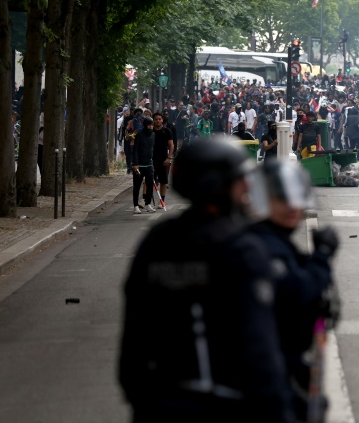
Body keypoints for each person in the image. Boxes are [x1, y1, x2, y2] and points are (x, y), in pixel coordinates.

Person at [119, 139, 295, 422]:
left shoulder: (157, 242)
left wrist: (144, 401)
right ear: (222, 186)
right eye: (240, 181)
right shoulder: (242, 248)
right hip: (228, 405)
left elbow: (135, 336)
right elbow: (259, 345)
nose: (246, 189)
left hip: (160, 404)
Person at [250, 161, 339, 422]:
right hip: (267, 367)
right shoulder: (261, 246)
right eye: (281, 198)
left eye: (297, 198)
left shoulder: (277, 241)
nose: (291, 206)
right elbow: (297, 289)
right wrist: (321, 258)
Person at [131, 116, 156, 214]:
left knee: (150, 184)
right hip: (139, 164)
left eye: (151, 125)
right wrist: (135, 163)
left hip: (149, 163)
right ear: (145, 125)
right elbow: (135, 150)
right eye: (149, 125)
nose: (150, 127)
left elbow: (153, 149)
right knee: (137, 185)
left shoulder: (153, 135)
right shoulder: (139, 135)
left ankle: (147, 204)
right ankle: (136, 205)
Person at [151, 112, 174, 206]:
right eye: (156, 119)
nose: (158, 121)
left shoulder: (167, 131)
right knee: (149, 181)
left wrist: (169, 158)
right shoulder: (150, 131)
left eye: (159, 119)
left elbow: (171, 145)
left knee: (163, 181)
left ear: (162, 120)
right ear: (153, 120)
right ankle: (147, 200)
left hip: (164, 159)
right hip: (151, 159)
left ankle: (162, 201)